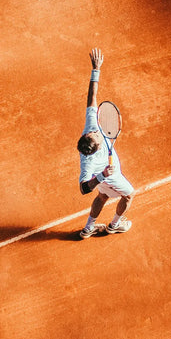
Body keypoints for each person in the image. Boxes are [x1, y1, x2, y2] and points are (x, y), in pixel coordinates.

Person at [76, 48, 136, 238]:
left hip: (103, 178)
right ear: (97, 148)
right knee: (129, 195)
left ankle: (88, 229)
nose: (96, 131)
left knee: (102, 196)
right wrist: (102, 176)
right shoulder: (88, 162)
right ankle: (114, 225)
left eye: (93, 132)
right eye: (96, 135)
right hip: (109, 177)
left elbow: (91, 97)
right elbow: (83, 188)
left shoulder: (90, 128)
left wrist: (96, 69)